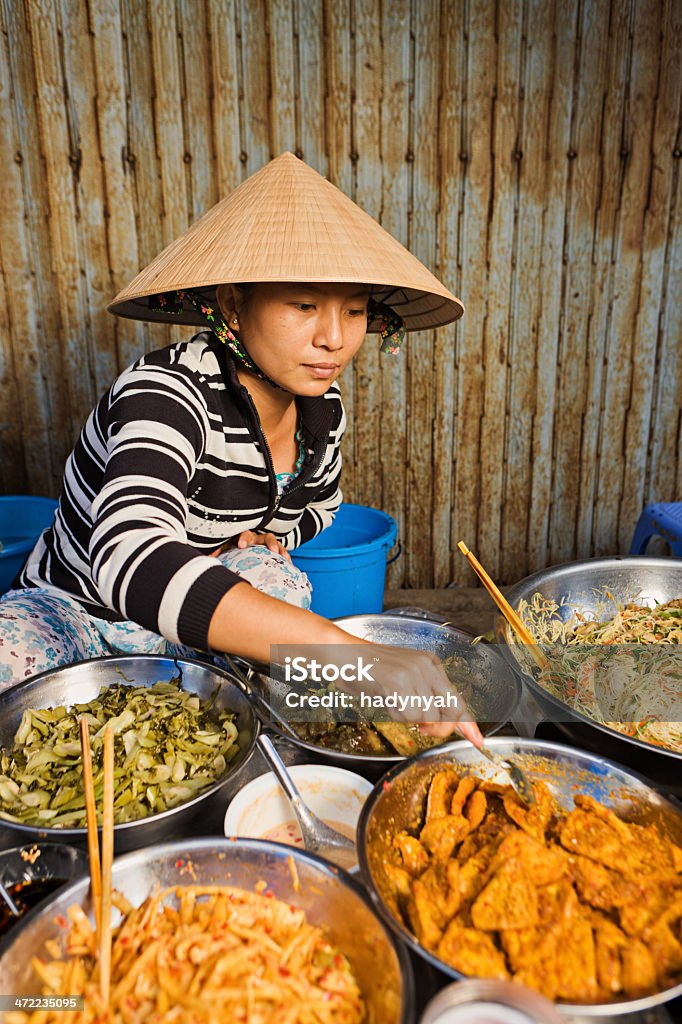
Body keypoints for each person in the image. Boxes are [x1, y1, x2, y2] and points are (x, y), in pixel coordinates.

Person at [0, 154, 481, 746]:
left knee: (277, 579)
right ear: (232, 304)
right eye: (304, 306)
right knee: (7, 653)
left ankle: (227, 723)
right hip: (80, 613)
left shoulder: (322, 410)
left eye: (354, 310)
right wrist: (358, 660)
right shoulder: (165, 392)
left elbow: (320, 507)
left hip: (185, 626)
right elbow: (128, 556)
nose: (334, 337)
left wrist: (273, 536)